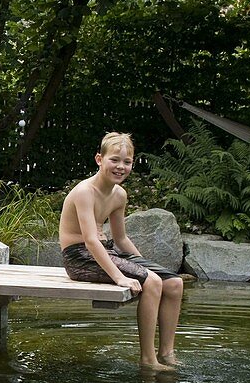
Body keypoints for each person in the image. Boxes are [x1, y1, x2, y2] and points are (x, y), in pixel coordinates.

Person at [58, 132, 183, 370]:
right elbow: (90, 241)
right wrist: (120, 276)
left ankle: (167, 352)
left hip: (106, 251)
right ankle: (148, 359)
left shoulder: (119, 195)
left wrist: (141, 264)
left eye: (127, 162)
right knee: (153, 283)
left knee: (174, 283)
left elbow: (121, 238)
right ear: (99, 159)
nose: (120, 167)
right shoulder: (85, 191)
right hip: (79, 257)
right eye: (114, 160)